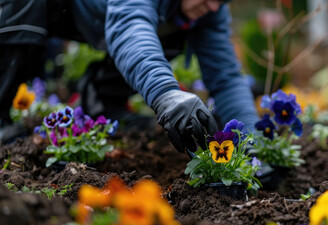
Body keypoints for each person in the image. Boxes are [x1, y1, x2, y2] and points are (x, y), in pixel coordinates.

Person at [0, 0, 260, 152]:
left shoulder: (209, 9)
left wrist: (254, 146)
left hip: (104, 22)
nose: (213, 5)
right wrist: (167, 95)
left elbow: (226, 77)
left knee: (168, 33)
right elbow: (129, 27)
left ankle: (105, 105)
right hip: (57, 7)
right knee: (23, 13)